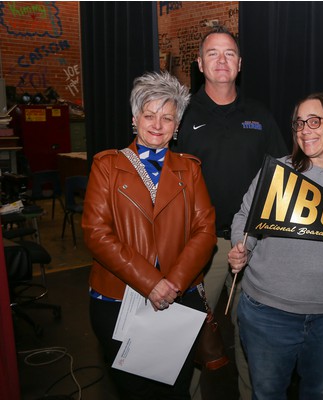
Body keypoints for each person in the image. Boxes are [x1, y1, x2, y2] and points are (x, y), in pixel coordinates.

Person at [228, 92, 323, 400]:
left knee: (320, 393)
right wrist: (239, 248)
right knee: (267, 393)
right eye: (299, 123)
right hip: (267, 314)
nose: (305, 130)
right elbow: (246, 218)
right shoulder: (278, 173)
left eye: (314, 121)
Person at [82, 71, 217, 399]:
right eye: (149, 114)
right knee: (134, 390)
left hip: (177, 299)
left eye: (167, 117)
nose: (158, 124)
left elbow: (205, 230)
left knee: (176, 387)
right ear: (134, 119)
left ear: (177, 126)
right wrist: (150, 283)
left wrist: (172, 284)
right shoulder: (107, 166)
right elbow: (96, 233)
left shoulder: (191, 168)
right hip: (117, 299)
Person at [171, 25, 287, 399]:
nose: (222, 61)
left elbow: (282, 176)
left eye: (230, 54)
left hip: (253, 246)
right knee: (190, 334)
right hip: (200, 246)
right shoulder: (182, 115)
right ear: (200, 64)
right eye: (213, 54)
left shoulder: (260, 115)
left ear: (240, 64)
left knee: (254, 337)